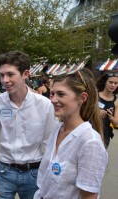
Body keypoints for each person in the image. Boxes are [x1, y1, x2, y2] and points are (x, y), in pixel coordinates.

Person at [0, 51, 56, 199]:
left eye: (10, 74)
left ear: (25, 74)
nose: (5, 80)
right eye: (2, 75)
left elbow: (50, 144)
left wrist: (48, 177)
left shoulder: (45, 105)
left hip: (34, 172)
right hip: (4, 172)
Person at [34, 69, 108, 199]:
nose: (53, 99)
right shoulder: (58, 128)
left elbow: (89, 195)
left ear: (82, 98)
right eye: (53, 94)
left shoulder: (90, 142)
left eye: (61, 94)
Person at [96, 72, 118, 148]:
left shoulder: (116, 101)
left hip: (105, 134)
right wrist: (96, 111)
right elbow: (83, 110)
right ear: (105, 82)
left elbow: (116, 123)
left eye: (116, 83)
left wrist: (110, 116)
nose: (113, 85)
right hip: (91, 128)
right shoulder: (95, 95)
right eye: (110, 82)